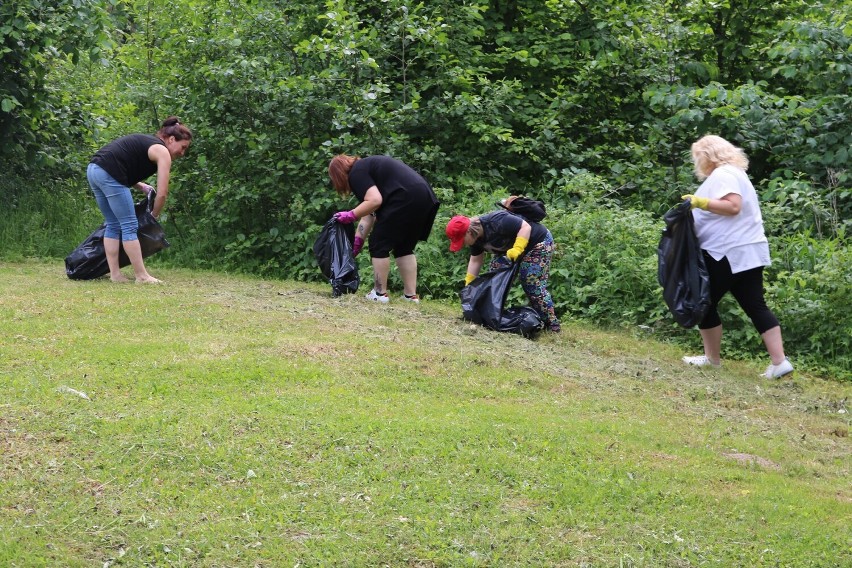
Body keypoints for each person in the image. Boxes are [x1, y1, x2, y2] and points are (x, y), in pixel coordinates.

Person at [680, 134, 793, 378]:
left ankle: (712, 359)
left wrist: (699, 202)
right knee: (755, 305)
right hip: (748, 251)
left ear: (706, 156)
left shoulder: (724, 174)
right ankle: (779, 362)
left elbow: (733, 207)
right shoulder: (736, 173)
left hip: (726, 252)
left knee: (703, 302)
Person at [87, 116, 192, 283]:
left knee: (113, 224)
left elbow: (124, 161)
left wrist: (141, 186)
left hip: (94, 169)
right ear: (172, 139)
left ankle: (115, 275)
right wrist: (153, 217)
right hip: (108, 172)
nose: (183, 153)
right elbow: (163, 193)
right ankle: (141, 276)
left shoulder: (149, 142)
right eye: (183, 147)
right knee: (130, 225)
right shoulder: (162, 151)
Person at [328, 154, 440, 303]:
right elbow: (369, 214)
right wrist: (357, 242)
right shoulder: (368, 168)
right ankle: (410, 296)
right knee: (404, 247)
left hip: (404, 197)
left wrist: (351, 214)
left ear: (339, 174)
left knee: (378, 243)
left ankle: (379, 294)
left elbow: (374, 200)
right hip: (424, 197)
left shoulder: (356, 172)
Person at [445, 210, 560, 332]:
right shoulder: (475, 239)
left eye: (461, 240)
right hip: (510, 249)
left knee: (530, 282)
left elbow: (525, 227)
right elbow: (475, 261)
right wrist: (470, 285)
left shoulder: (496, 221)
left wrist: (517, 248)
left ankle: (552, 324)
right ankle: (489, 316)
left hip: (537, 243)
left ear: (468, 231)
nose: (462, 244)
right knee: (494, 280)